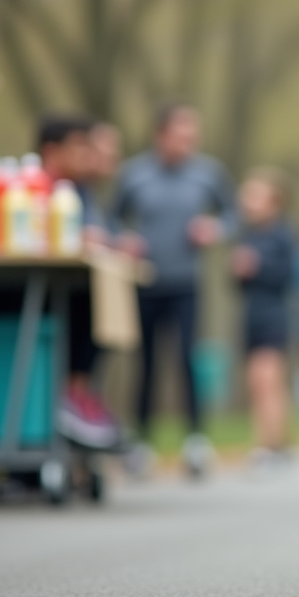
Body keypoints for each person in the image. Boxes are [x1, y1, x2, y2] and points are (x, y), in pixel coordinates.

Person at [108, 103, 237, 478]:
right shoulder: (134, 175)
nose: (188, 144)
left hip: (187, 282)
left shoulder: (208, 174)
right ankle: (142, 443)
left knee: (187, 360)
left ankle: (196, 441)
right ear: (160, 135)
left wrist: (215, 229)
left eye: (193, 137)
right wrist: (123, 238)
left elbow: (232, 214)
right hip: (146, 281)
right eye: (182, 136)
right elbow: (112, 216)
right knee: (146, 362)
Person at [38, 116, 122, 450]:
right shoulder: (40, 186)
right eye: (82, 147)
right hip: (33, 287)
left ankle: (79, 395)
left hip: (65, 283)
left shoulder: (80, 192)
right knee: (87, 305)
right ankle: (71, 396)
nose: (89, 156)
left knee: (103, 305)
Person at [231, 167, 297, 469]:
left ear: (274, 201)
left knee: (267, 380)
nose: (248, 202)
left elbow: (289, 276)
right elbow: (238, 284)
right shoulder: (249, 236)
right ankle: (275, 443)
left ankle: (271, 446)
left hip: (274, 315)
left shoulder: (283, 235)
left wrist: (258, 267)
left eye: (255, 196)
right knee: (257, 383)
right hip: (251, 316)